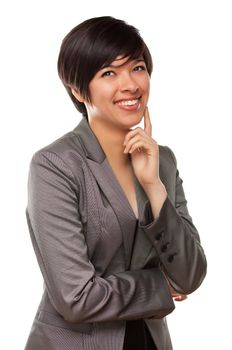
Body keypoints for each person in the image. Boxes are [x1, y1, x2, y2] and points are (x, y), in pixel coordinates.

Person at [24, 16, 207, 350]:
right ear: (78, 90)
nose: (131, 85)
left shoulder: (161, 161)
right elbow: (75, 297)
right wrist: (159, 287)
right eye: (109, 73)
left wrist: (154, 186)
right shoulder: (55, 166)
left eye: (137, 68)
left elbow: (190, 274)